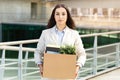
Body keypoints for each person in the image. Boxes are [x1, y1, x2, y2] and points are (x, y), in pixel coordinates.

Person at [34, 4, 86, 79]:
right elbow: (38, 52)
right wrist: (40, 65)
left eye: (63, 14)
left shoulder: (74, 34)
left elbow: (82, 54)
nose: (60, 17)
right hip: (50, 76)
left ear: (67, 16)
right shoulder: (45, 33)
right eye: (57, 14)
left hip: (68, 76)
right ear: (54, 16)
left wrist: (77, 67)